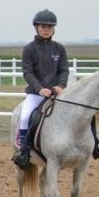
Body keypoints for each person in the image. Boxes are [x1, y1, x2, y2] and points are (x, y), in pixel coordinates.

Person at [14, 9, 69, 169]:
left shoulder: (59, 49)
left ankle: (95, 145)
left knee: (79, 112)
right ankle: (24, 151)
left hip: (57, 93)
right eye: (43, 26)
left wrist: (60, 85)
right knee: (24, 117)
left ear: (54, 29)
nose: (46, 29)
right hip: (36, 94)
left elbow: (64, 70)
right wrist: (39, 89)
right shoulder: (29, 49)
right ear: (36, 27)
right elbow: (27, 72)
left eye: (50, 27)